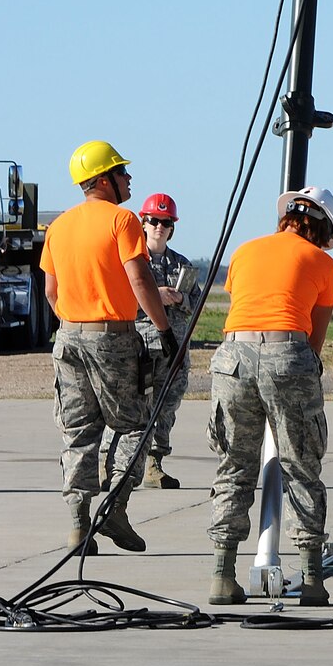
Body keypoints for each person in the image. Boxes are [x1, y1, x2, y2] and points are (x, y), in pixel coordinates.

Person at [206, 187, 333, 607]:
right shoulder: (323, 263)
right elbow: (313, 339)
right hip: (288, 352)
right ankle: (314, 576)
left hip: (231, 356)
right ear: (321, 228)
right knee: (301, 466)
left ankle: (222, 575)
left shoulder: (246, 251)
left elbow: (242, 306)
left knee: (234, 465)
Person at [40, 140, 173, 553]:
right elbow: (139, 279)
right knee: (135, 424)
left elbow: (50, 290)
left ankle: (79, 523)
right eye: (122, 171)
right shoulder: (122, 220)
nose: (128, 178)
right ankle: (115, 507)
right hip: (111, 336)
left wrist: (73, 322)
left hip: (68, 337)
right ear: (104, 180)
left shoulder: (59, 226)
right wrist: (164, 330)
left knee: (79, 432)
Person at [136, 193, 197, 489]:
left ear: (173, 227)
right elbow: (119, 301)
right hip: (142, 348)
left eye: (166, 222)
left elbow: (196, 303)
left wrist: (181, 297)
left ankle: (153, 464)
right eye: (154, 221)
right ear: (143, 223)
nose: (159, 227)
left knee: (166, 408)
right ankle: (115, 464)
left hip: (174, 351)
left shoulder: (182, 265)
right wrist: (152, 296)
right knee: (134, 406)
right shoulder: (133, 263)